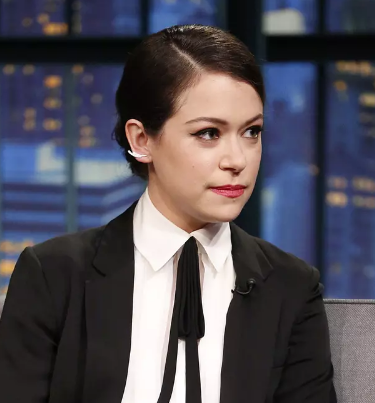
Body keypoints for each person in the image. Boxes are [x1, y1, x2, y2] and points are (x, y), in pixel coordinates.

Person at [0, 25, 336, 403]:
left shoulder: (291, 287)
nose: (237, 160)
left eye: (251, 132)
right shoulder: (54, 276)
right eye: (209, 133)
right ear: (142, 140)